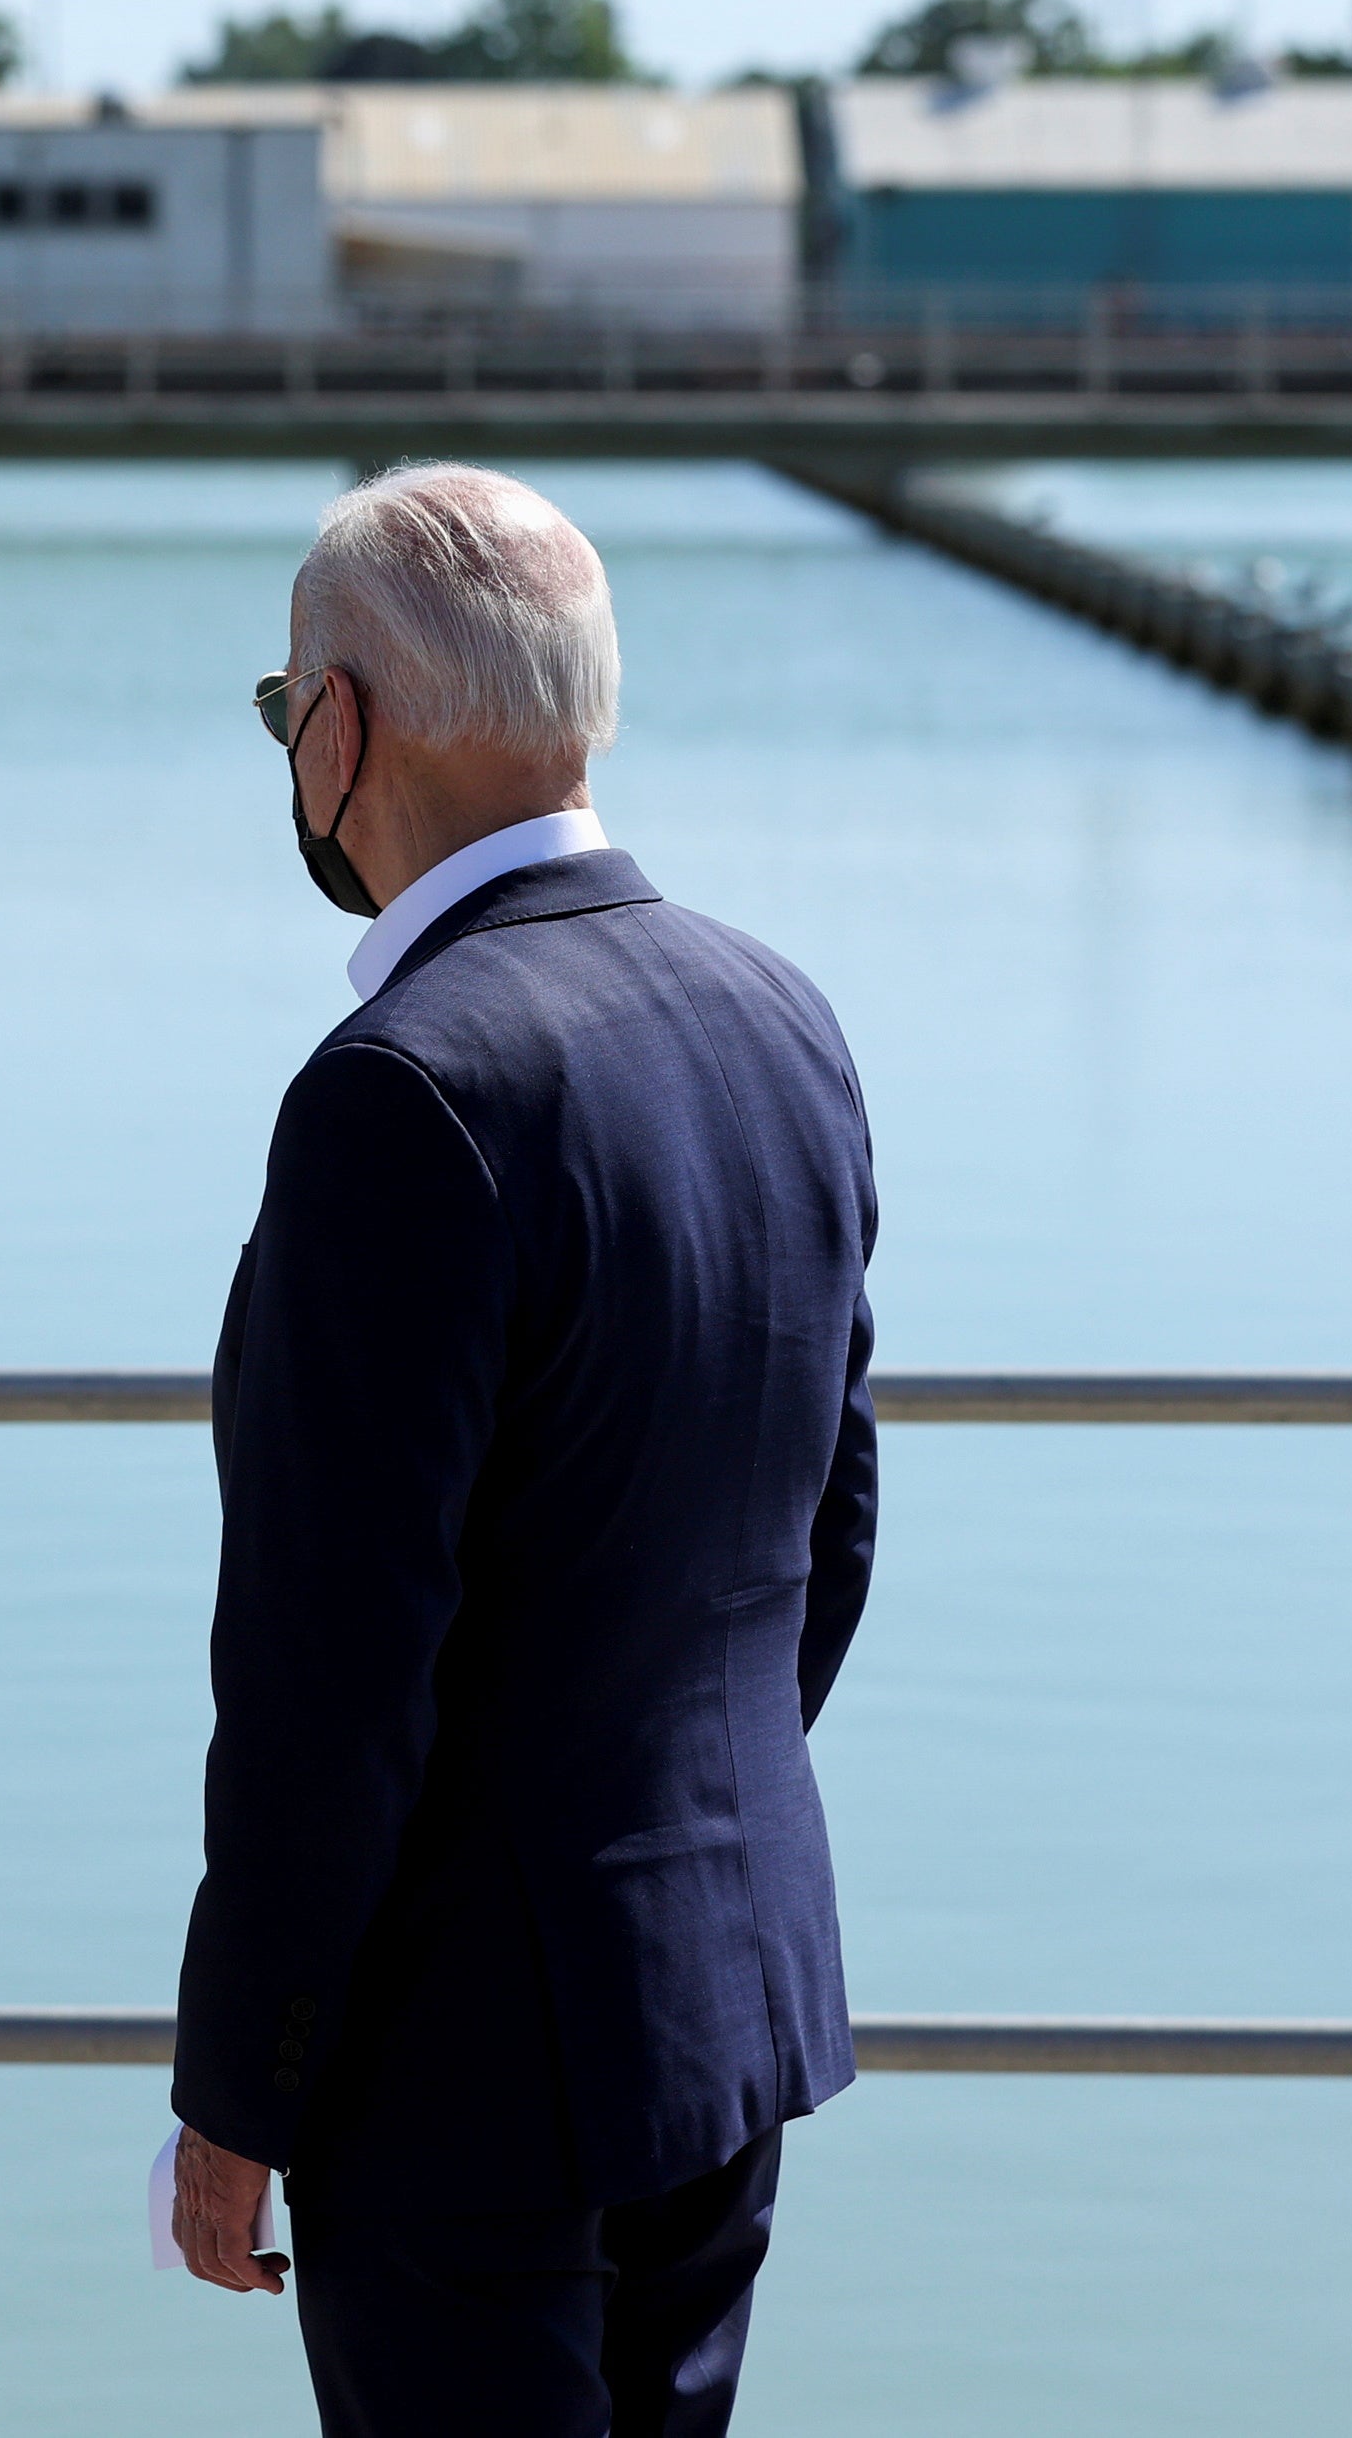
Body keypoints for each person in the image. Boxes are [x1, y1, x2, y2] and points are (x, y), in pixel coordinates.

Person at [166, 464, 880, 2438]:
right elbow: (823, 1533)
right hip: (715, 2004)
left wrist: (240, 2089)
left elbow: (328, 1673)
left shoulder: (406, 1088)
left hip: (460, 2070)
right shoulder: (773, 1017)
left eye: (275, 710)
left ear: (341, 725)